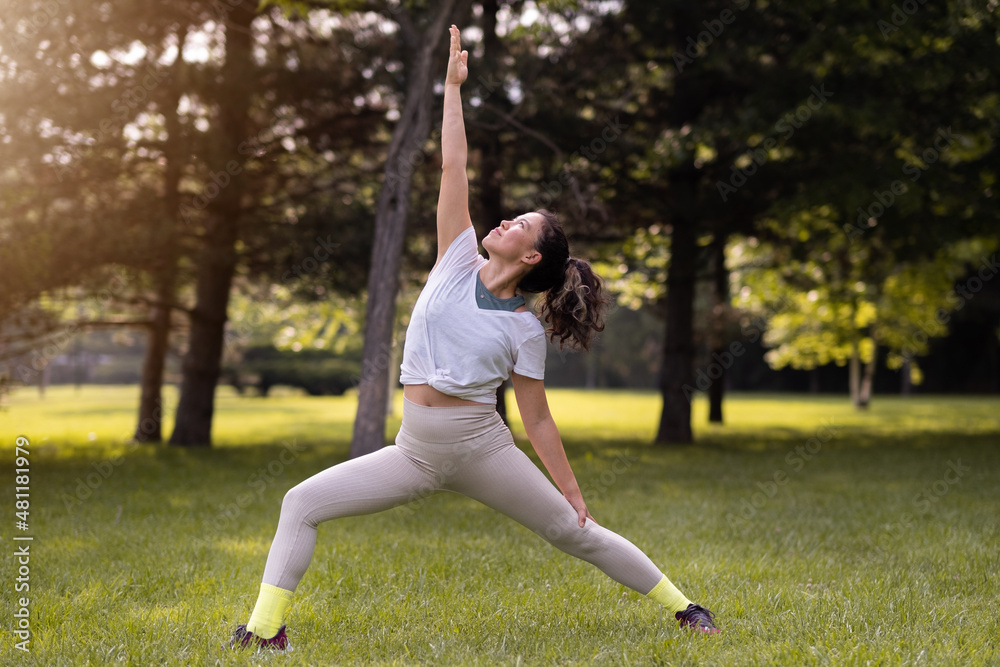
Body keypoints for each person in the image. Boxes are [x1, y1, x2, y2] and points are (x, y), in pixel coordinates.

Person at [227, 24, 719, 652]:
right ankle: (264, 633)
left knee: (575, 534)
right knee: (300, 501)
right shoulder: (456, 257)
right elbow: (451, 162)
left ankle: (686, 609)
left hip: (482, 450)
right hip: (413, 451)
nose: (506, 218)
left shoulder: (523, 329)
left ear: (533, 255)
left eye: (522, 223)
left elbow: (536, 420)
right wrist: (452, 89)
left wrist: (571, 491)